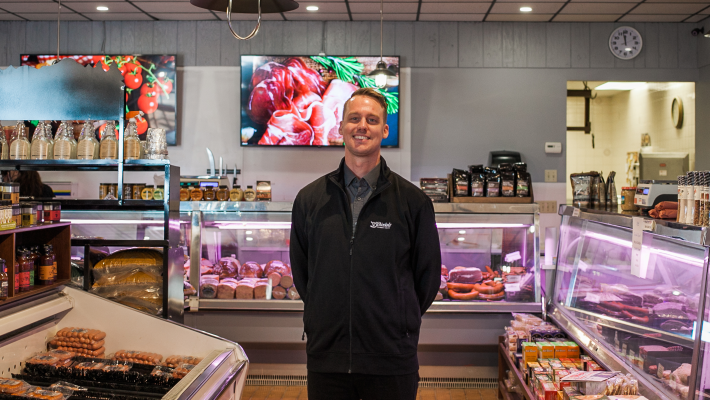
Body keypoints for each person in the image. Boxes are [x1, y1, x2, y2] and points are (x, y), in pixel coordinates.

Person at [290, 88, 441, 400]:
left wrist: (398, 322)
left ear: (384, 130)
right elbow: (304, 274)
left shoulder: (415, 202)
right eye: (354, 119)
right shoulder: (309, 200)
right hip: (327, 358)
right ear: (341, 127)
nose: (362, 126)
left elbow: (427, 280)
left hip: (391, 359)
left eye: (372, 120)